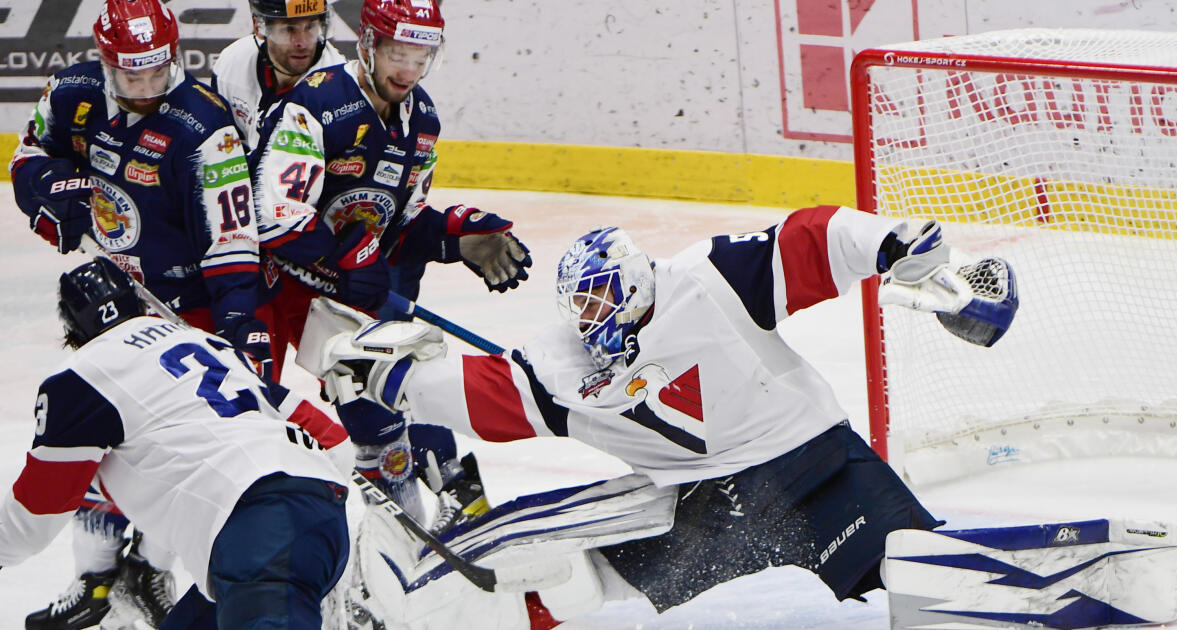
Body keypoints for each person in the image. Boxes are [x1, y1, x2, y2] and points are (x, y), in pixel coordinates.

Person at [313, 206, 1019, 625]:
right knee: (570, 572)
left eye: (601, 301)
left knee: (918, 576)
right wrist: (389, 374)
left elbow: (807, 241)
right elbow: (483, 395)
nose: (591, 319)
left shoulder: (704, 280)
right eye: (580, 306)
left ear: (637, 285)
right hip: (704, 507)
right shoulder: (563, 362)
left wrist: (891, 245)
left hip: (816, 463)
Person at [7, 0, 269, 625]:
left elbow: (232, 245)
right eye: (133, 76)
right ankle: (95, 578)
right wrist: (55, 191)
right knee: (98, 440)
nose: (149, 88)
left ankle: (149, 569)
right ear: (106, 63)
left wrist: (238, 328)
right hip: (108, 307)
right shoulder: (73, 93)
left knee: (174, 457)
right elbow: (27, 158)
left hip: (188, 312)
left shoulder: (206, 126)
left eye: (159, 72)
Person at [252, 0, 530, 532]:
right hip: (267, 285)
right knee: (244, 416)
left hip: (337, 296)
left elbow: (400, 224)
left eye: (420, 56)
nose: (408, 70)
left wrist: (454, 236)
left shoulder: (422, 120)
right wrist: (347, 260)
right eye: (398, 53)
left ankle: (420, 530)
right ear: (369, 45)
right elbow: (274, 218)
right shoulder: (312, 105)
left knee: (379, 401)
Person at [0, 258, 351, 630]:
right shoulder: (209, 345)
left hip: (260, 537)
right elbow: (336, 442)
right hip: (313, 519)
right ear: (140, 304)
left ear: (72, 332)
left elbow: (37, 512)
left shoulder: (83, 376)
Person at [211, 0, 347, 152]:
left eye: (310, 27)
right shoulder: (232, 64)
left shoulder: (340, 89)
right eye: (289, 29)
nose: (302, 43)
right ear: (259, 26)